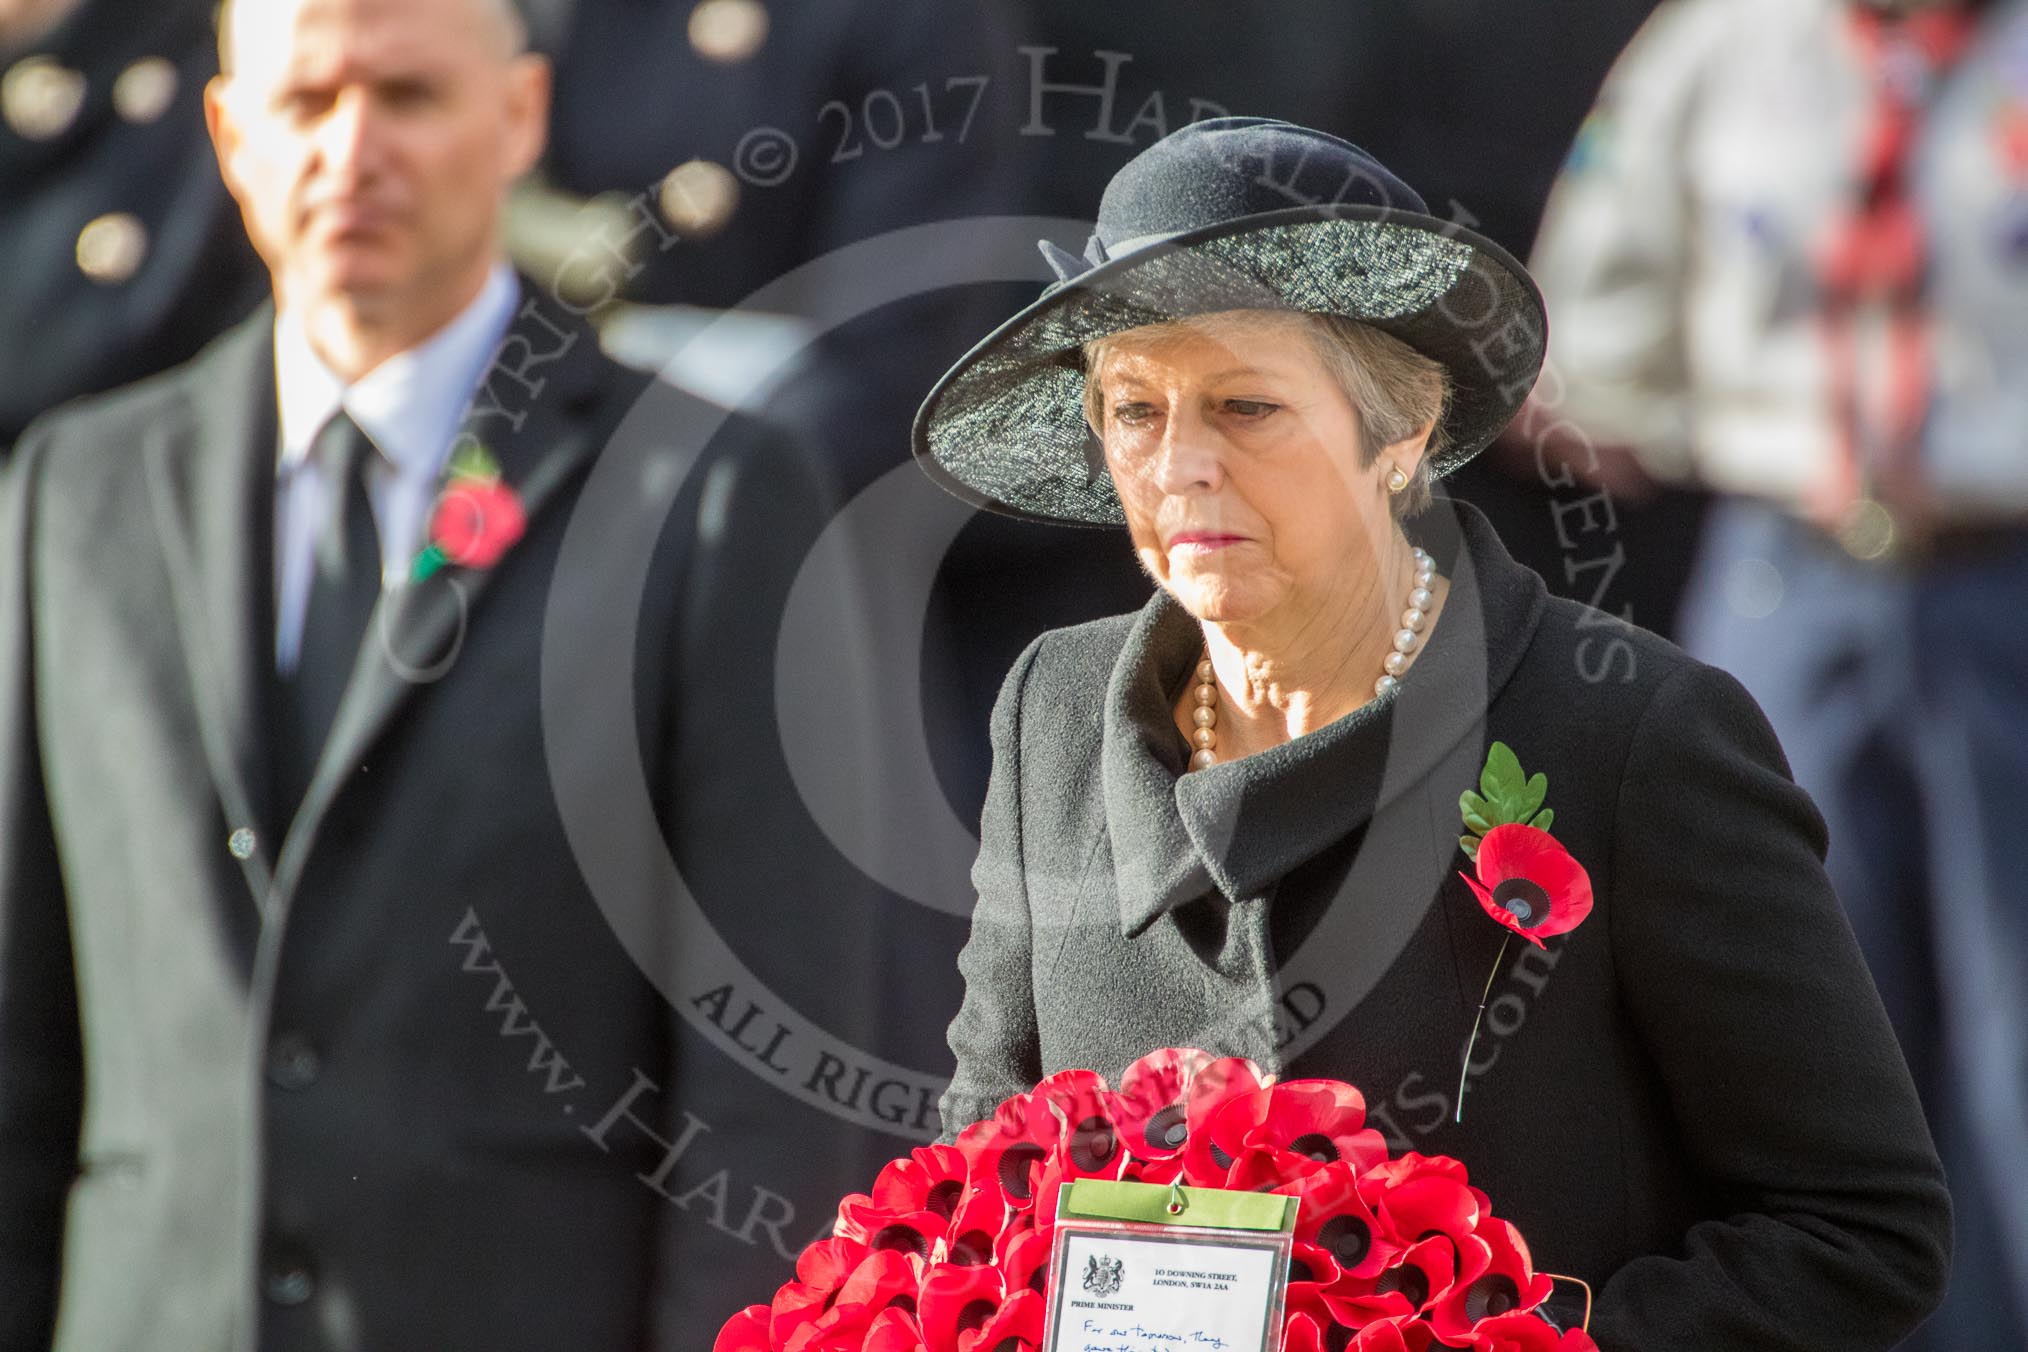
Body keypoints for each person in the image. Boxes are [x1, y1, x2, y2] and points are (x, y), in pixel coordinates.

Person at [916, 118, 1951, 1349]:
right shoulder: (1052, 708)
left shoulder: (1631, 731)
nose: (1181, 463)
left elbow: (1858, 1226)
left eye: (1247, 405)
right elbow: (976, 1179)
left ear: (1399, 433)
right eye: (1135, 409)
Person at [0, 0, 864, 1346]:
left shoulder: (708, 492)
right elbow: (22, 1048)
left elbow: (767, 1097)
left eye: (407, 97)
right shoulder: (74, 493)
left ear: (519, 116)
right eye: (304, 103)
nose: (351, 150)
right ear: (228, 133)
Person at [1526, 2, 2028, 1345]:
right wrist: (1680, 409)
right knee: (1797, 1009)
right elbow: (1585, 323)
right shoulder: (1724, 43)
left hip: (2012, 556)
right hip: (1790, 570)